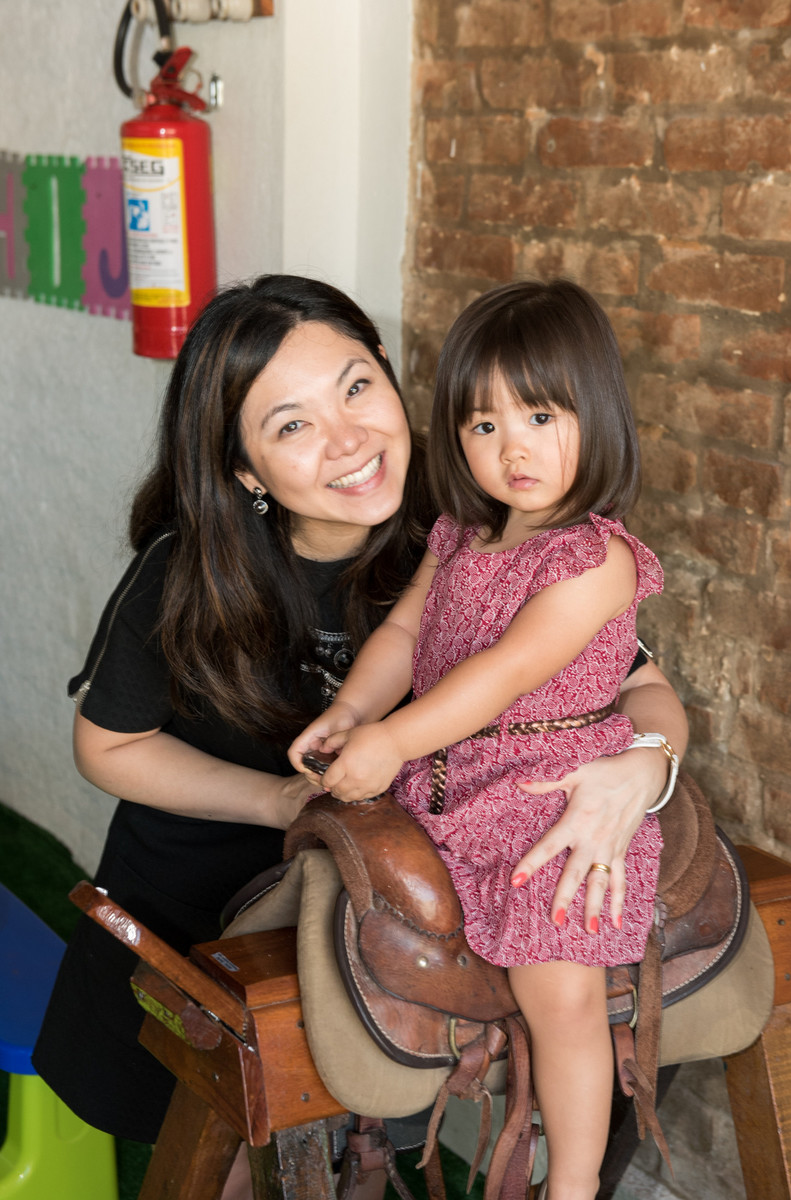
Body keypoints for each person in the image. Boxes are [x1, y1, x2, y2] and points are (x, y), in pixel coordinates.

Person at [33, 275, 685, 1192]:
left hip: (386, 917)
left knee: (362, 1138)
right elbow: (109, 747)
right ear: (246, 470)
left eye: (355, 388)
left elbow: (643, 689)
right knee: (218, 1160)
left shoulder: (480, 518)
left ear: (391, 374)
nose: (346, 441)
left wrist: (640, 770)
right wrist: (275, 797)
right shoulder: (189, 573)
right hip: (200, 910)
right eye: (291, 425)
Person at [289, 279, 674, 1200]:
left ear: (597, 413)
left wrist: (393, 738)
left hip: (548, 792)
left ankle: (573, 1181)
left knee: (559, 989)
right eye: (482, 425)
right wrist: (352, 712)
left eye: (540, 415)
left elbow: (500, 673)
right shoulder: (460, 534)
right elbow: (400, 636)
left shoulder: (595, 557)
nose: (513, 448)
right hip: (452, 778)